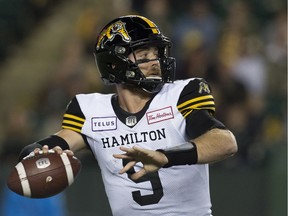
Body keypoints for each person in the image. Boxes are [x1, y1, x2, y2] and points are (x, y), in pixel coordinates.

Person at [18, 15, 238, 216]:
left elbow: (225, 142)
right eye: (144, 55)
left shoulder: (181, 94)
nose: (155, 62)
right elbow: (55, 143)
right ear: (114, 64)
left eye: (156, 53)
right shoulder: (91, 110)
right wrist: (36, 151)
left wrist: (165, 157)